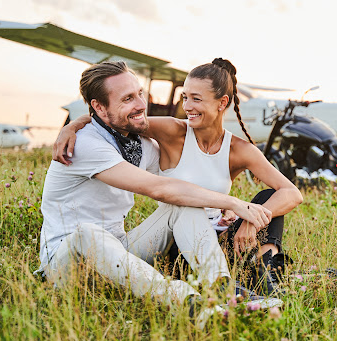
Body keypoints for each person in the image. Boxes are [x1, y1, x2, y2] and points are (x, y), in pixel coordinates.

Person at [39, 61, 276, 318]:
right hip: (67, 264)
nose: (141, 104)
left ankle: (225, 291)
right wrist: (234, 203)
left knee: (183, 204)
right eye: (128, 98)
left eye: (140, 93)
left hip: (121, 250)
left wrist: (218, 206)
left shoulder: (141, 146)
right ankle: (189, 304)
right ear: (99, 107)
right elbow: (161, 188)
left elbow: (181, 186)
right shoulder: (84, 145)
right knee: (86, 233)